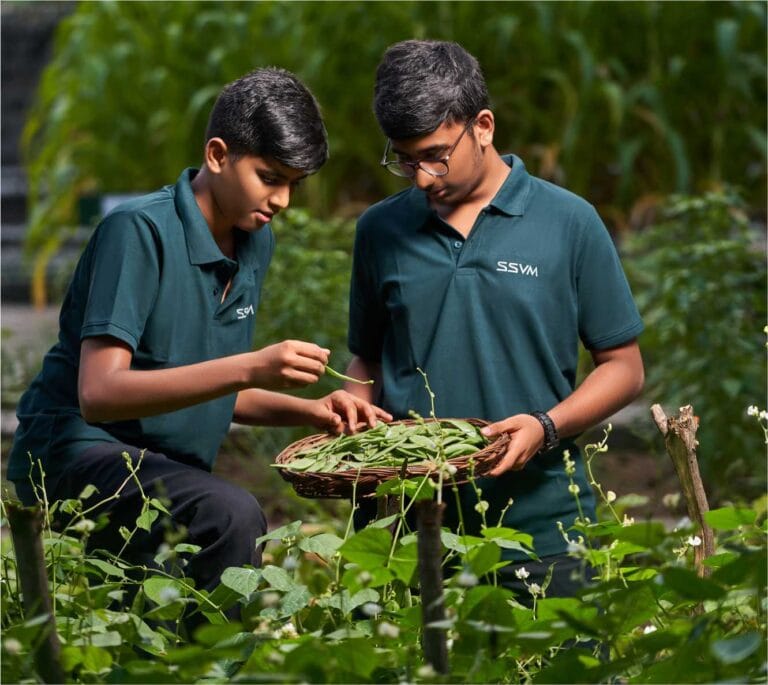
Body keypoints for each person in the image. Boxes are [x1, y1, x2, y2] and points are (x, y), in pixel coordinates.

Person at [8, 68, 390, 606]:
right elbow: (99, 395)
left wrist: (311, 410)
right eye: (269, 176)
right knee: (230, 513)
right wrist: (252, 365)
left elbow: (208, 382)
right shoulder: (137, 232)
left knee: (166, 594)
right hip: (81, 451)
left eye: (293, 185)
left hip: (166, 467)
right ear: (217, 155)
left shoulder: (254, 241)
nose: (282, 199)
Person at [343, 40, 644, 601]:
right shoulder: (379, 231)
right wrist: (355, 415)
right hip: (406, 528)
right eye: (404, 161)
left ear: (483, 126)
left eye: (435, 155)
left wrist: (545, 425)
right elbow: (366, 359)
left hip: (545, 523)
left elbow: (623, 368)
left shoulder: (570, 222)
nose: (422, 178)